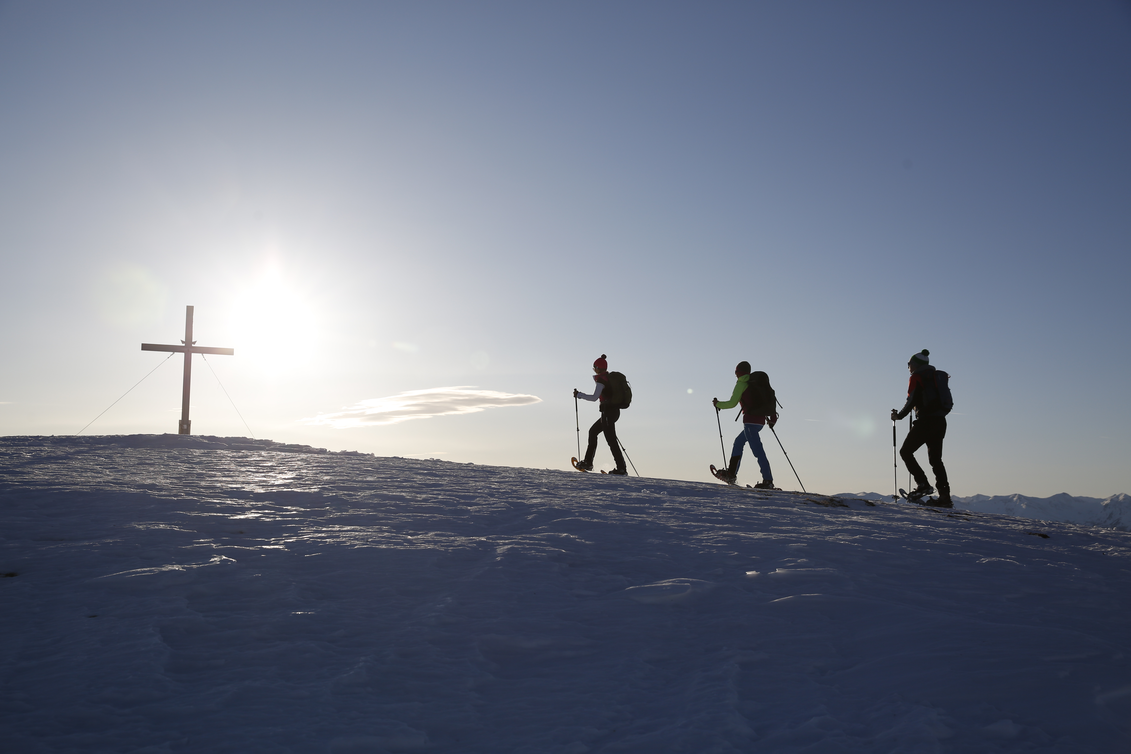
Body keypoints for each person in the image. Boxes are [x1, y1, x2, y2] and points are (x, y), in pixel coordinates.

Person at [891, 349, 951, 507]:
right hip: (940, 421)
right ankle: (945, 497)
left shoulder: (916, 377)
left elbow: (911, 400)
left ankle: (923, 484)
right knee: (936, 460)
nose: (908, 367)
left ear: (915, 364)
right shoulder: (935, 377)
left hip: (925, 421)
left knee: (905, 452)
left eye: (909, 364)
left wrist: (898, 416)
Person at [713, 362, 777, 488]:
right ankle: (732, 473)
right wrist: (773, 419)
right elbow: (769, 401)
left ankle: (768, 480)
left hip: (750, 423)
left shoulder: (742, 384)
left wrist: (718, 404)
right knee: (738, 442)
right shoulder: (756, 383)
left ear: (738, 372)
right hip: (760, 422)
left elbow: (732, 403)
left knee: (758, 451)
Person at [574, 354, 627, 475]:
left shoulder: (601, 381)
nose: (594, 369)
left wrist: (579, 395)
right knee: (593, 432)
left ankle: (621, 468)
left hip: (608, 413)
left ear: (598, 368)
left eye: (594, 367)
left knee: (611, 440)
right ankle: (588, 462)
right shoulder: (608, 378)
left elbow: (594, 397)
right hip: (612, 412)